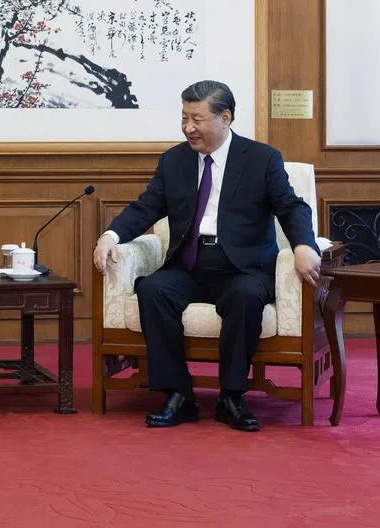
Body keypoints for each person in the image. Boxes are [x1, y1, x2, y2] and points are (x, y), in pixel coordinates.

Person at [93, 81, 321, 432]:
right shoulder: (174, 160)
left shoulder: (262, 159)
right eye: (184, 118)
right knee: (153, 291)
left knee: (245, 299)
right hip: (190, 264)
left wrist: (304, 246)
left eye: (197, 119)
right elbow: (146, 207)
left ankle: (231, 396)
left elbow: (291, 207)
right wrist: (110, 235)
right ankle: (179, 395)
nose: (188, 128)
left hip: (241, 268)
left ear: (225, 117)